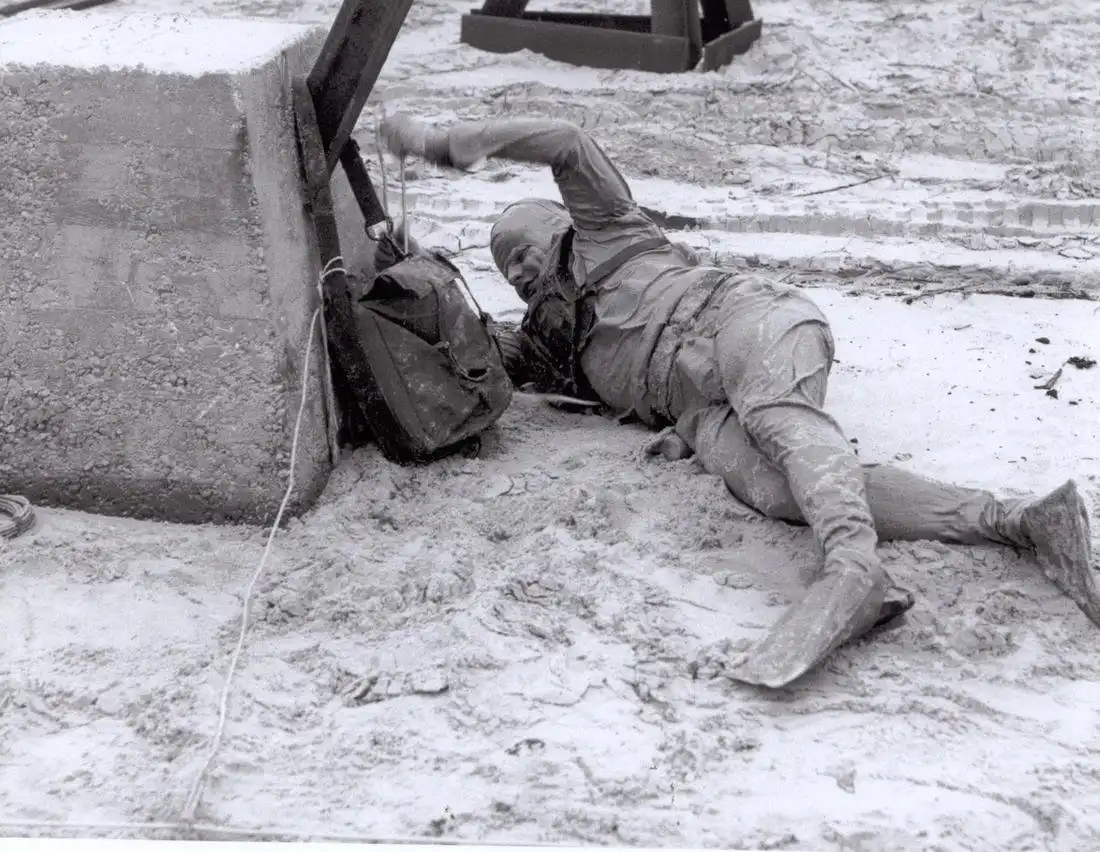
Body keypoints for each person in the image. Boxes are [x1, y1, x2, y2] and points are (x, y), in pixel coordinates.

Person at [379, 113, 1100, 689]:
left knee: (778, 419)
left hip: (737, 320)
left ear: (558, 229)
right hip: (697, 411)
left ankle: (853, 568)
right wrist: (410, 281)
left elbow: (566, 140)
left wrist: (451, 143)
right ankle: (1015, 520)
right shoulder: (545, 345)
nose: (516, 270)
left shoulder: (610, 229)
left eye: (522, 248)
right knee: (777, 491)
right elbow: (469, 357)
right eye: (504, 267)